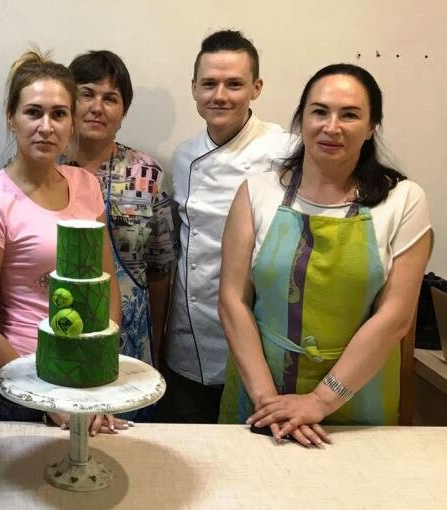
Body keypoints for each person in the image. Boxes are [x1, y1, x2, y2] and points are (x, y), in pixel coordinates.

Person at [218, 64, 432, 445]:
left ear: (371, 126)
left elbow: (395, 317)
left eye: (349, 115)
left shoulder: (403, 200)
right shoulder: (256, 191)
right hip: (260, 390)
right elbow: (232, 300)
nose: (332, 127)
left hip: (356, 397)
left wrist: (320, 400)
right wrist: (269, 403)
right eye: (319, 111)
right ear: (302, 119)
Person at [0, 50, 127, 435]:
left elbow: (106, 287)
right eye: (33, 113)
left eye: (59, 114)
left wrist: (95, 364)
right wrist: (46, 398)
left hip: (85, 378)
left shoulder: (85, 185)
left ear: (72, 121)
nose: (46, 127)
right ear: (11, 118)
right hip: (21, 381)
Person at [158, 30, 293, 424]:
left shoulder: (286, 152)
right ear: (194, 88)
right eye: (209, 84)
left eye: (234, 84)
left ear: (256, 88)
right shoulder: (184, 156)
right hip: (188, 338)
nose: (220, 96)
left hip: (258, 339)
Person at [62, 50, 176, 389]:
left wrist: (157, 341)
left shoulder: (146, 173)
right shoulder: (42, 167)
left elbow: (160, 268)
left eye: (110, 98)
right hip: (57, 320)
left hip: (131, 330)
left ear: (123, 112)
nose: (97, 107)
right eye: (86, 94)